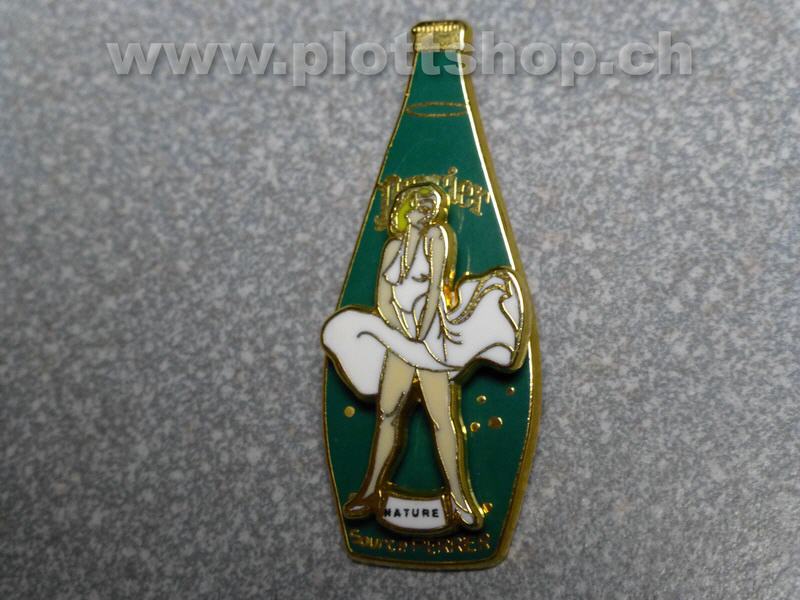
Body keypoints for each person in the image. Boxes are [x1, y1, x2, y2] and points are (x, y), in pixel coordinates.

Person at [322, 183, 525, 529]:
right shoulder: (392, 248)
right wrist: (400, 332)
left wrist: (420, 335)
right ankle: (370, 492)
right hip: (400, 337)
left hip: (429, 341)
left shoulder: (437, 238)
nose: (425, 209)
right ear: (405, 207)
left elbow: (434, 291)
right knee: (387, 414)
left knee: (441, 417)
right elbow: (384, 298)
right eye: (419, 203)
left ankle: (460, 499)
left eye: (430, 205)